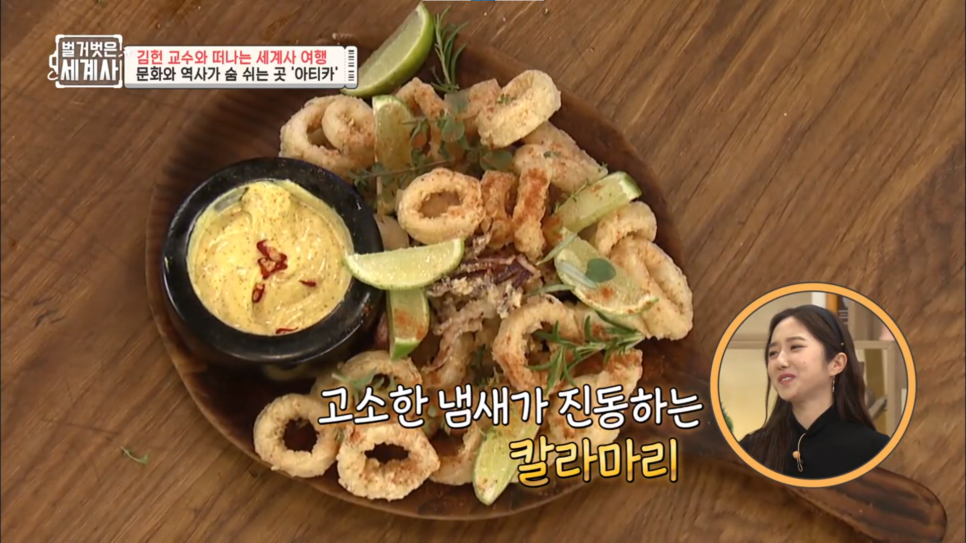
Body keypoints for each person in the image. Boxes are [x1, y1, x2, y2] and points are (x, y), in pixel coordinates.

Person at [738, 304, 891, 480]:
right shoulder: (750, 451)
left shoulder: (877, 450)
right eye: (773, 353)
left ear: (836, 364)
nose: (780, 361)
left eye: (795, 347)